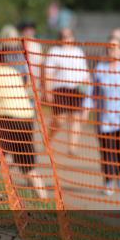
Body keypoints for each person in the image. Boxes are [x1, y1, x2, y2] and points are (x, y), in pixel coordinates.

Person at [0, 37, 49, 199]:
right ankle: (42, 198)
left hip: (11, 121)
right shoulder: (12, 71)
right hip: (27, 118)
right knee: (27, 163)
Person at [83, 31, 120, 196]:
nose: (113, 51)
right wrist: (86, 108)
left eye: (116, 48)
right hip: (104, 118)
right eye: (110, 48)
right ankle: (108, 182)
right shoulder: (100, 69)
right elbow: (92, 92)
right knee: (107, 151)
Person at [44, 27, 90, 156]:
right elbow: (48, 73)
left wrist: (87, 89)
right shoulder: (54, 51)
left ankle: (72, 149)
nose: (67, 39)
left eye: (69, 36)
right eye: (64, 36)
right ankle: (48, 139)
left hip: (76, 89)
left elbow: (85, 73)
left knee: (76, 117)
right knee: (59, 120)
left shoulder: (78, 52)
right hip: (60, 89)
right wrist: (48, 91)